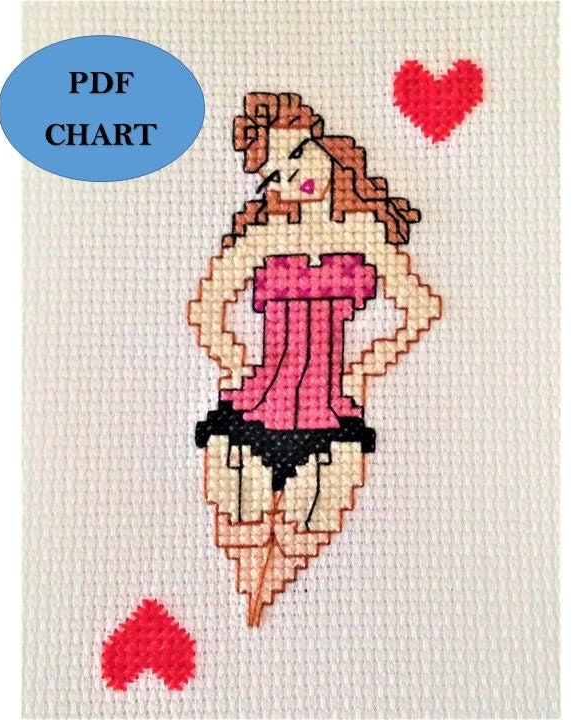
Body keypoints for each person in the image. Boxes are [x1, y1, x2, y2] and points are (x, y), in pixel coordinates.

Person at [188, 92, 441, 625]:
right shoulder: (265, 238)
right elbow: (208, 307)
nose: (295, 177)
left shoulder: (362, 233)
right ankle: (244, 623)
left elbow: (419, 307)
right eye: (277, 175)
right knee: (242, 529)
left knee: (303, 532)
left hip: (330, 415)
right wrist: (235, 364)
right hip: (255, 409)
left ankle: (257, 626)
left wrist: (366, 366)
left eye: (300, 154)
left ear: (326, 146)